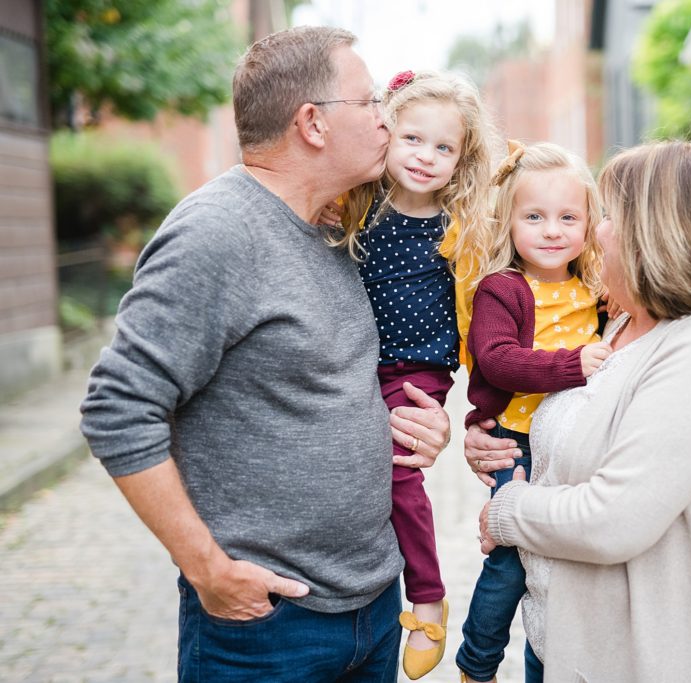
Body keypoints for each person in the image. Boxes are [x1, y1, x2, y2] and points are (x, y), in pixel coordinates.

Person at [79, 26, 450, 682]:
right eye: (369, 102)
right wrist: (207, 568)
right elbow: (117, 408)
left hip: (373, 609)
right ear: (313, 123)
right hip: (267, 628)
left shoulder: (337, 230)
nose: (385, 120)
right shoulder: (218, 232)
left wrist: (423, 423)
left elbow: (341, 381)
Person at [473, 140, 691, 682]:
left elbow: (612, 520)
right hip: (562, 644)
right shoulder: (620, 323)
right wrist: (493, 441)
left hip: (645, 659)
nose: (599, 231)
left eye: (609, 214)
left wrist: (507, 510)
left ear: (657, 234)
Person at [320, 69, 496, 680]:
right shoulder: (356, 208)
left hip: (419, 369)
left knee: (399, 473)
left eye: (444, 147)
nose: (425, 156)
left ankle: (427, 596)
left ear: (461, 159)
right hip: (358, 362)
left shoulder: (463, 224)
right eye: (413, 139)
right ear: (386, 134)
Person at [456, 141, 611, 683]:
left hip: (575, 443)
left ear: (590, 223)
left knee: (561, 562)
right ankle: (477, 664)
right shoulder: (503, 289)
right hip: (516, 442)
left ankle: (550, 661)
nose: (552, 231)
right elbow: (498, 361)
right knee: (510, 559)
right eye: (535, 217)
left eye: (568, 217)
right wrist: (575, 364)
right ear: (509, 221)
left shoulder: (595, 289)